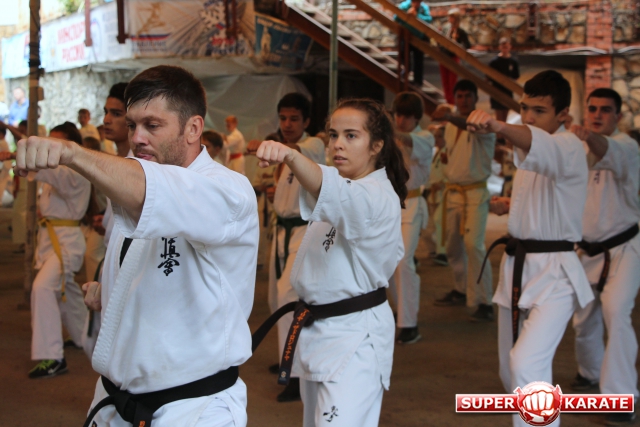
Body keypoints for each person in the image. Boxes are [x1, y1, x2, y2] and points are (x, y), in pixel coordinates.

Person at [14, 65, 259, 426]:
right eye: (132, 125)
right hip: (114, 397)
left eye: (152, 125)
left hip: (192, 408)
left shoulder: (227, 190)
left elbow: (152, 190)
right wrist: (113, 289)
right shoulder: (128, 183)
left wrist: (72, 153)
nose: (137, 138)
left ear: (193, 128)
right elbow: (141, 261)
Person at [255, 97, 407, 427]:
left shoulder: (375, 194)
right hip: (321, 334)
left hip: (354, 339)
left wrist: (291, 155)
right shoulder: (351, 187)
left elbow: (331, 189)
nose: (338, 144)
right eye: (334, 135)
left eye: (351, 136)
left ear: (376, 145)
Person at [467, 70, 591, 427]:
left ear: (563, 115)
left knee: (526, 363)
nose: (529, 118)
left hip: (555, 275)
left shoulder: (568, 145)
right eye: (524, 109)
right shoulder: (533, 148)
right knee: (511, 372)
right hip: (518, 270)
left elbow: (536, 143)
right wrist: (512, 206)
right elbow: (547, 195)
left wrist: (497, 125)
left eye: (539, 110)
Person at [248, 93, 326, 402]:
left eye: (294, 119)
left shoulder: (313, 145)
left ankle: (296, 374)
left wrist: (274, 147)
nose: (288, 124)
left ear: (307, 121)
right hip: (281, 231)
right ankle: (287, 356)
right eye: (283, 118)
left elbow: (297, 153)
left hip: (303, 233)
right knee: (275, 298)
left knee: (290, 298)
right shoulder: (285, 154)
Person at [570, 88, 640, 426]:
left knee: (616, 311)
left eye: (606, 110)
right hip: (586, 248)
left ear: (618, 116)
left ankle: (621, 397)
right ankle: (590, 373)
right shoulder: (578, 148)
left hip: (624, 248)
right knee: (583, 319)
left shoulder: (627, 146)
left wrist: (586, 135)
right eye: (593, 109)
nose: (598, 114)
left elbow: (605, 148)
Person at [25, 122, 91, 378]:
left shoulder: (75, 172)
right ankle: (85, 337)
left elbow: (48, 172)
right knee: (68, 292)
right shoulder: (57, 172)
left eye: (56, 144)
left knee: (42, 288)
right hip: (51, 240)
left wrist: (21, 157)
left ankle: (52, 357)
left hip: (66, 243)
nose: (49, 148)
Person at [431, 80, 496, 322]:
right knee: (453, 246)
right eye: (460, 96)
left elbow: (468, 124)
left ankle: (485, 302)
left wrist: (448, 116)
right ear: (455, 98)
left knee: (474, 245)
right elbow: (452, 152)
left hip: (475, 193)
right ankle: (460, 289)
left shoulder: (483, 122)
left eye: (468, 96)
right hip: (453, 192)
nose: (464, 100)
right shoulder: (450, 127)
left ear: (476, 98)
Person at [389, 92, 434, 344]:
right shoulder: (391, 137)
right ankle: (401, 311)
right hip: (388, 204)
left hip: (412, 203)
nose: (401, 120)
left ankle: (410, 324)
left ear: (417, 117)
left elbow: (407, 139)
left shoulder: (425, 137)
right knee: (386, 263)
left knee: (404, 261)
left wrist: (389, 130)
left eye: (406, 116)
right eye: (398, 115)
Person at [395, 0, 432, 87]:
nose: (416, 4)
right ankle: (407, 69)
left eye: (418, 2)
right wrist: (406, 14)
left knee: (418, 59)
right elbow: (396, 18)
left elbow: (429, 19)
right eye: (414, 2)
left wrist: (417, 16)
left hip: (418, 38)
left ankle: (418, 81)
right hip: (406, 37)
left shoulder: (424, 8)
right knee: (403, 53)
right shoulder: (404, 6)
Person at [439, 8, 471, 104]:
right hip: (444, 57)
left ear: (456, 18)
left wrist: (457, 44)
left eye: (451, 17)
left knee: (452, 81)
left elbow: (467, 45)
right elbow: (440, 41)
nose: (449, 19)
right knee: (445, 81)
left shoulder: (461, 31)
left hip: (453, 58)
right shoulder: (446, 29)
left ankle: (452, 101)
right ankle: (447, 99)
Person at [488, 37, 520, 125]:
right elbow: (489, 77)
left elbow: (516, 76)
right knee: (499, 116)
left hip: (507, 91)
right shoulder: (494, 62)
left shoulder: (513, 61)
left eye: (506, 47)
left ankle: (503, 132)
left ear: (510, 47)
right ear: (500, 47)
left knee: (505, 116)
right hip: (497, 90)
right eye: (503, 47)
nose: (505, 49)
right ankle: (499, 133)